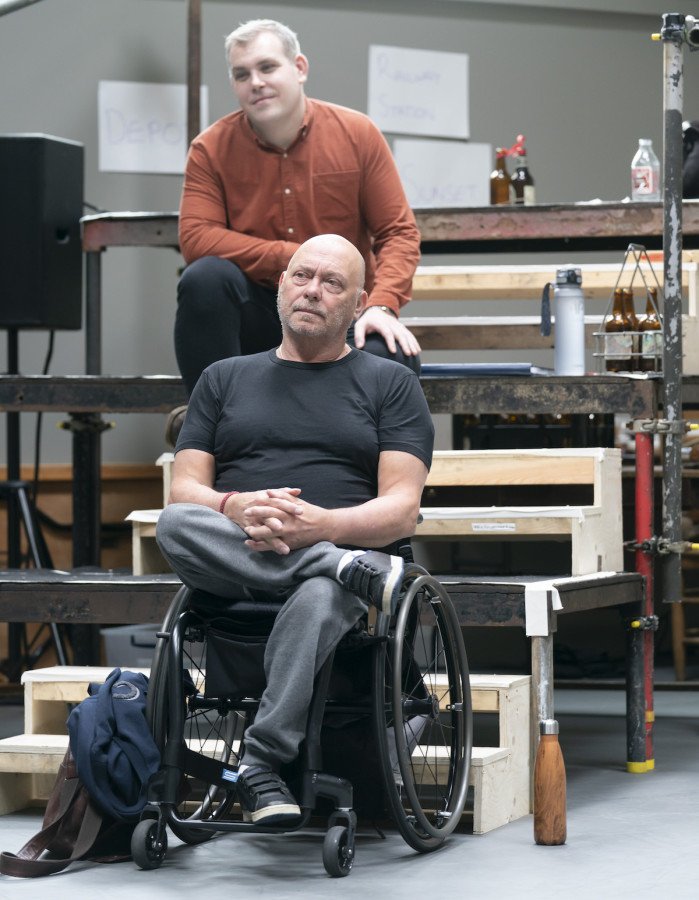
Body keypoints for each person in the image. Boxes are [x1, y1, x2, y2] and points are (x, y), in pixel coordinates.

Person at [157, 234, 434, 827]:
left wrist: (323, 528)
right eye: (303, 276)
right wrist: (235, 506)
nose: (313, 290)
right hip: (245, 565)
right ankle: (329, 562)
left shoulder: (391, 385)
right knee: (177, 523)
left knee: (321, 593)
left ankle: (260, 765)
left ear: (358, 304)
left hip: (340, 576)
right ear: (280, 286)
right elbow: (185, 493)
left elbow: (402, 510)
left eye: (332, 283)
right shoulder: (223, 379)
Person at [174, 17, 422, 401]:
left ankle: (344, 455)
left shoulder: (358, 134)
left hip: (343, 313)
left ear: (300, 68)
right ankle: (213, 428)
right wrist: (295, 260)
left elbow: (398, 233)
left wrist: (384, 306)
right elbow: (196, 238)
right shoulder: (210, 149)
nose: (255, 82)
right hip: (262, 311)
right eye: (242, 74)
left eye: (267, 67)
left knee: (390, 354)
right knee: (204, 279)